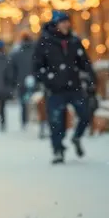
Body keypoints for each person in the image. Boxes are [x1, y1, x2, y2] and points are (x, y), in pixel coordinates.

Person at [32, 11, 95, 164]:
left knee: (86, 114)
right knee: (56, 121)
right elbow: (36, 67)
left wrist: (91, 80)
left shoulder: (74, 41)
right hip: (55, 90)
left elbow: (85, 63)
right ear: (56, 24)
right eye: (63, 22)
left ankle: (76, 137)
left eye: (68, 21)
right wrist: (49, 79)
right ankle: (58, 150)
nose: (67, 24)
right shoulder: (44, 42)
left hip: (75, 87)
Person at [9, 32, 36, 129]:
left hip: (21, 81)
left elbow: (12, 69)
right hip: (35, 81)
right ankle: (35, 119)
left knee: (24, 102)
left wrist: (13, 82)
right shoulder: (36, 52)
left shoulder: (16, 54)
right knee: (35, 101)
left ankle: (25, 121)